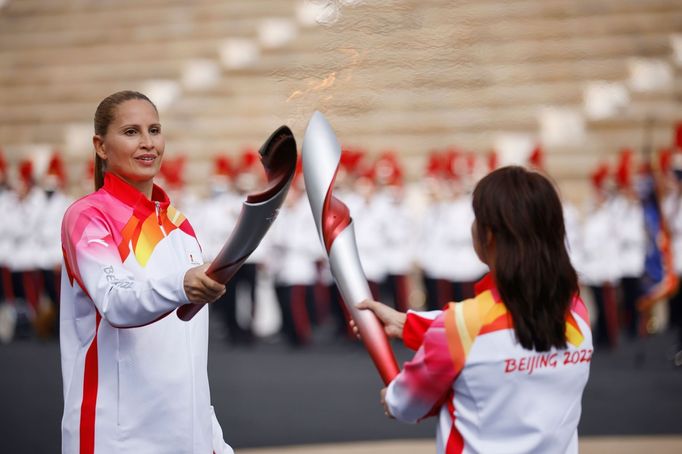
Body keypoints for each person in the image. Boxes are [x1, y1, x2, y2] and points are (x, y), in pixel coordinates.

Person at [356, 166, 592, 453]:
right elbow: (497, 327)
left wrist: (392, 397)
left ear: (489, 236)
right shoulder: (576, 314)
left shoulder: (462, 324)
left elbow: (408, 403)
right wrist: (407, 322)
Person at [59, 90, 233, 453]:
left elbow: (188, 352)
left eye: (154, 130)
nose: (148, 143)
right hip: (117, 438)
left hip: (188, 438)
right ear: (101, 146)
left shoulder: (178, 224)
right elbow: (117, 303)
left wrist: (211, 436)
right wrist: (183, 285)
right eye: (131, 132)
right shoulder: (89, 217)